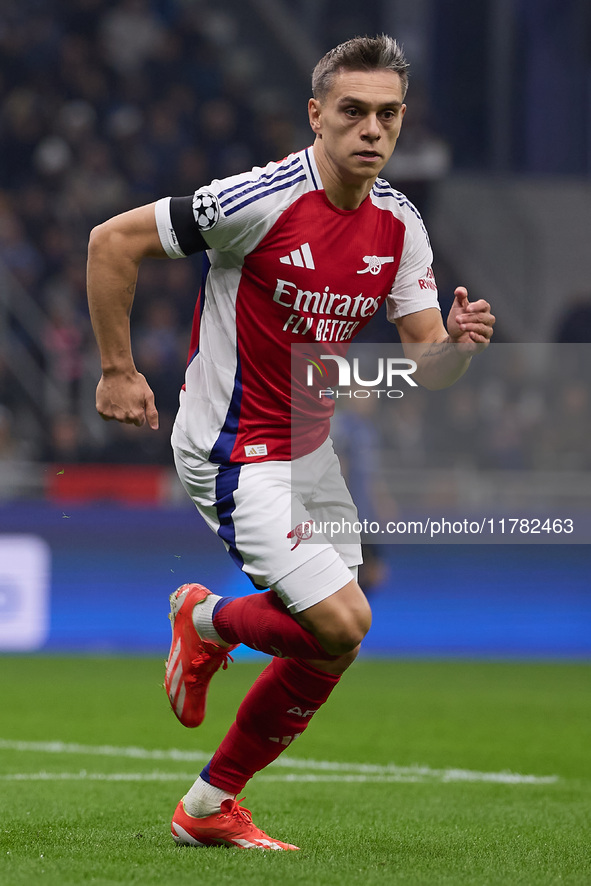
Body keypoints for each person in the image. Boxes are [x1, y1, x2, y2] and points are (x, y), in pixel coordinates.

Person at [87, 35, 495, 851]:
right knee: (344, 620)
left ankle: (205, 806)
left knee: (328, 645)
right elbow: (111, 242)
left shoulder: (399, 223)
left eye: (386, 114)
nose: (370, 130)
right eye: (352, 112)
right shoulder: (259, 200)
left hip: (310, 453)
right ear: (316, 115)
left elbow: (426, 362)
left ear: (401, 121)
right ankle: (206, 621)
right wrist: (117, 371)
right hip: (232, 447)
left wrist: (456, 345)